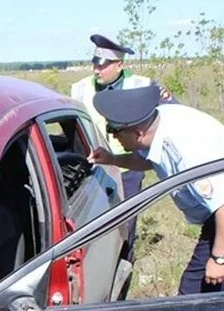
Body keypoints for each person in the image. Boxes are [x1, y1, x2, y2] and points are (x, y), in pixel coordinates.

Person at [88, 85, 224, 295]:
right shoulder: (158, 122)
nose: (113, 137)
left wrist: (219, 258)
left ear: (138, 133)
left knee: (194, 291)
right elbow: (148, 160)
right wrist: (113, 159)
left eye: (114, 131)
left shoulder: (188, 150)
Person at [70, 34, 172, 202]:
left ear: (119, 65)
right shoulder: (80, 88)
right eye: (94, 63)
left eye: (102, 66)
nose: (96, 70)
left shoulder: (143, 85)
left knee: (126, 221)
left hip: (129, 168)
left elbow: (171, 114)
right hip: (94, 166)